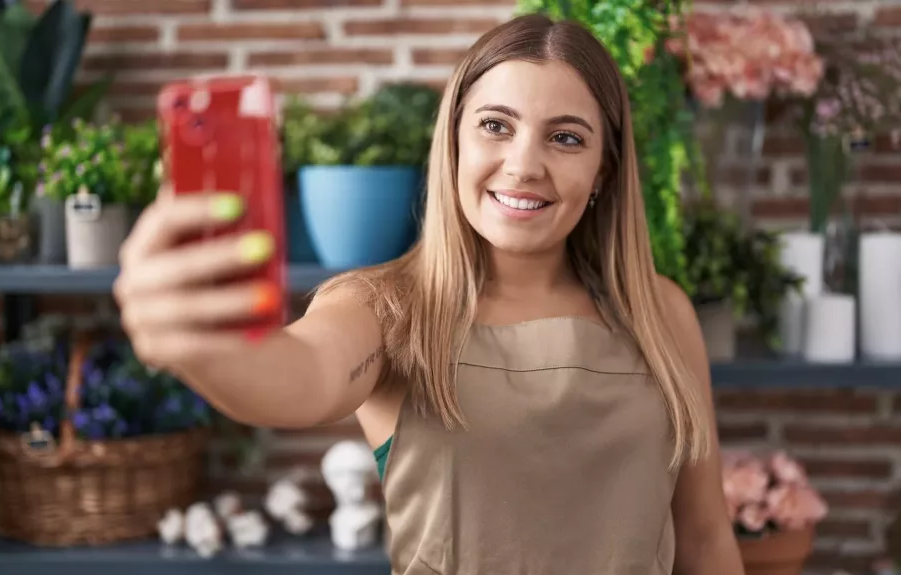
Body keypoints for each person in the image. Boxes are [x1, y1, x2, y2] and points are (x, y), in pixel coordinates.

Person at [114, 13, 745, 575]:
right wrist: (203, 347)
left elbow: (706, 540)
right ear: (454, 143)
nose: (524, 165)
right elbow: (299, 373)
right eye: (496, 126)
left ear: (603, 170)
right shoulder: (382, 310)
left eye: (566, 137)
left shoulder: (662, 314)